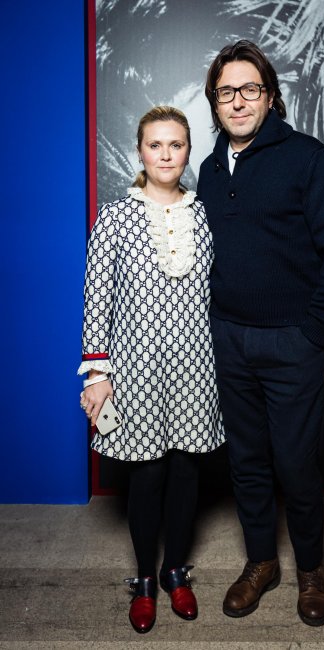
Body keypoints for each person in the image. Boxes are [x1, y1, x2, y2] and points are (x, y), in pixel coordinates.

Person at [197, 40, 324, 626]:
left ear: (270, 96)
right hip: (228, 340)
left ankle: (310, 570)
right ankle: (261, 562)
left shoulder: (308, 158)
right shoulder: (210, 169)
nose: (238, 101)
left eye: (250, 89)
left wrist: (312, 332)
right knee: (246, 461)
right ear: (215, 102)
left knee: (296, 464)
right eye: (226, 92)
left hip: (292, 341)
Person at [78, 106, 225, 634]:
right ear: (139, 151)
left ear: (188, 151)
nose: (166, 155)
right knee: (148, 474)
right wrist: (97, 374)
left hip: (195, 366)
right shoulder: (115, 217)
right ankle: (144, 579)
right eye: (155, 145)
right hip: (135, 369)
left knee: (186, 472)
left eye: (176, 145)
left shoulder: (204, 214)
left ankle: (175, 572)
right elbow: (97, 298)